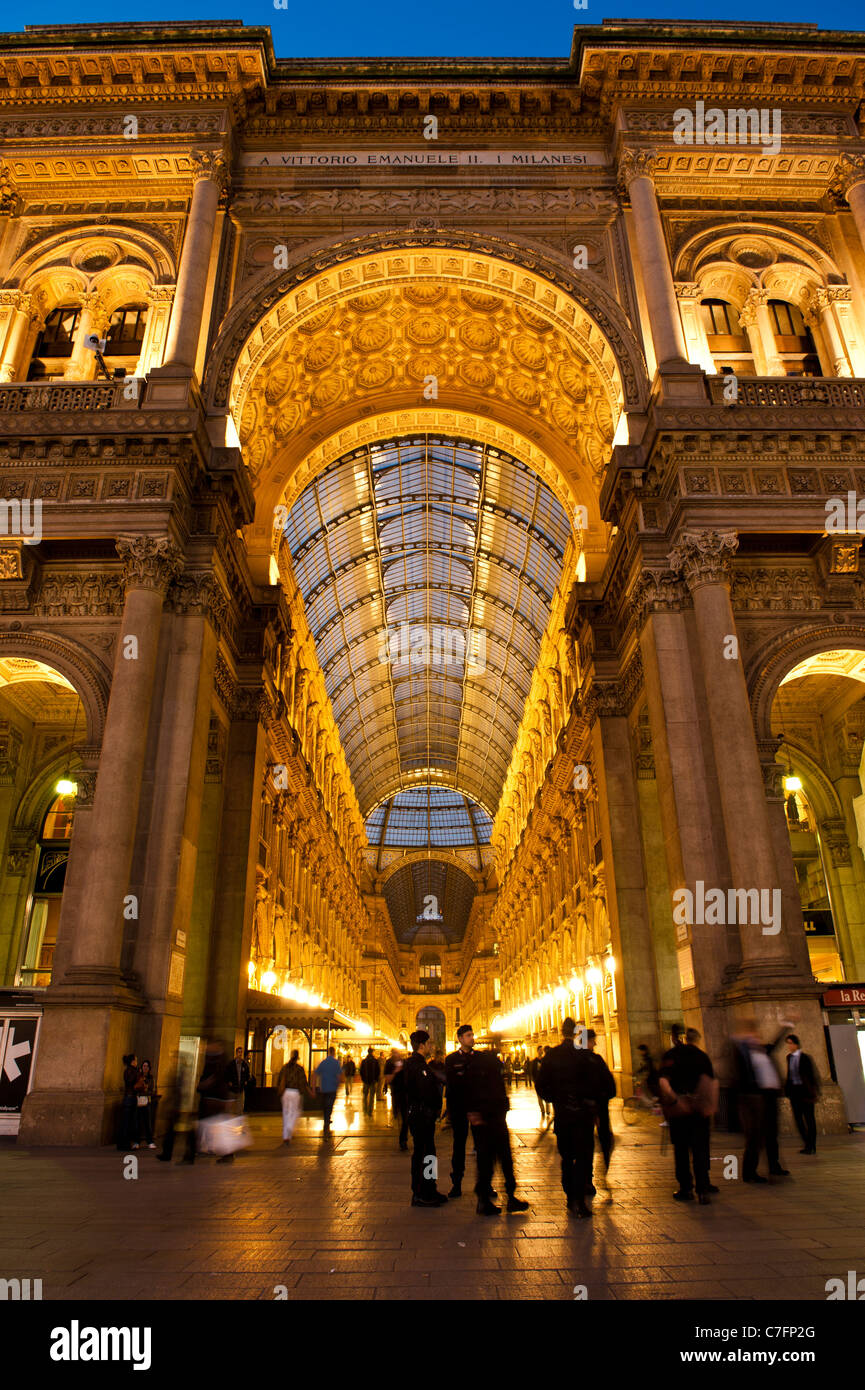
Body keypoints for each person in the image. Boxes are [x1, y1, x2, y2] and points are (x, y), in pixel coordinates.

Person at [538, 1019, 604, 1218]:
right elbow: (600, 1085)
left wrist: (556, 1100)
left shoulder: (551, 1056)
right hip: (583, 1116)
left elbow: (541, 1086)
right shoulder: (584, 1055)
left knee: (567, 1158)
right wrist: (592, 1105)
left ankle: (570, 1198)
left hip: (564, 1116)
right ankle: (580, 1200)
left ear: (560, 1032)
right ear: (575, 1032)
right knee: (583, 1157)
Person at [466, 1045, 530, 1216]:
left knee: (487, 1162)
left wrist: (473, 1112)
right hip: (494, 1121)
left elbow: (469, 1093)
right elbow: (496, 1095)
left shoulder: (478, 1072)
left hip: (487, 1121)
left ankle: (488, 1199)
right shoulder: (491, 1072)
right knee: (501, 1161)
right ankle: (502, 1198)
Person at [657, 1025, 717, 1204]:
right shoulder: (702, 1056)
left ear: (676, 1038)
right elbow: (711, 1083)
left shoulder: (671, 1056)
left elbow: (663, 1082)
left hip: (680, 1110)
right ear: (696, 1039)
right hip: (699, 1108)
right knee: (700, 1148)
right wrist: (711, 1106)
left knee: (681, 1149)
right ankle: (703, 1189)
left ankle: (686, 1188)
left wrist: (675, 1100)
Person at [731, 1017, 793, 1183]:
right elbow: (738, 1076)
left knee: (771, 1133)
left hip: (770, 1097)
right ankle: (749, 1172)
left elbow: (775, 1043)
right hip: (755, 1098)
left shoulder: (762, 1050)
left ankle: (774, 1165)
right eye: (753, 1034)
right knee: (755, 1136)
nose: (756, 1036)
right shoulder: (742, 1051)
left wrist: (787, 1025)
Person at [404, 1029, 448, 1207]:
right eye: (429, 1043)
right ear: (422, 1045)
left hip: (419, 1115)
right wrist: (436, 1108)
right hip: (422, 1116)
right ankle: (422, 1193)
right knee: (425, 1154)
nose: (431, 1046)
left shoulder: (414, 1063)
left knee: (427, 1154)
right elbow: (425, 1092)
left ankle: (429, 1189)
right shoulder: (418, 1065)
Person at [444, 1024, 475, 1198]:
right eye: (469, 1035)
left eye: (472, 1035)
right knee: (459, 1147)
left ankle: (484, 1185)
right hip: (460, 1110)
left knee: (482, 1148)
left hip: (478, 1109)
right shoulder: (451, 1059)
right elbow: (451, 1086)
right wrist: (449, 1111)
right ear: (460, 1038)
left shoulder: (480, 1058)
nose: (472, 1038)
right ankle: (456, 1183)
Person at [585, 1030, 617, 1191]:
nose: (595, 1043)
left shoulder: (577, 1061)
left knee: (586, 1143)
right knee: (603, 1139)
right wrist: (603, 1097)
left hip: (585, 1108)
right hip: (598, 1107)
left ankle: (588, 1179)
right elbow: (610, 1085)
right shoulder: (596, 1061)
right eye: (593, 1040)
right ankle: (602, 1167)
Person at [784, 1033, 820, 1155]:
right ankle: (807, 1144)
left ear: (796, 1044)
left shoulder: (805, 1058)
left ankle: (812, 1145)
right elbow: (789, 1074)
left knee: (809, 1119)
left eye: (791, 1043)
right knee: (798, 1120)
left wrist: (815, 1091)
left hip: (806, 1092)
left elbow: (812, 1075)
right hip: (795, 1093)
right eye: (788, 1043)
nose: (789, 1046)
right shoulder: (788, 1057)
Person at [277, 1049, 310, 1144]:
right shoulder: (299, 1069)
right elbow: (304, 1082)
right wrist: (309, 1091)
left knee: (285, 1113)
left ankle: (286, 1136)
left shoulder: (284, 1068)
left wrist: (279, 1091)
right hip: (295, 1093)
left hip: (285, 1092)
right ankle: (290, 1127)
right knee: (294, 1112)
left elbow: (279, 1080)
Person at [314, 1047, 343, 1137]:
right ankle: (327, 1119)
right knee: (330, 1105)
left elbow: (315, 1074)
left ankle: (326, 1119)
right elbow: (339, 1076)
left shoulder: (323, 1062)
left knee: (325, 1105)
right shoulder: (336, 1063)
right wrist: (338, 1085)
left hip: (324, 1088)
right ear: (334, 1053)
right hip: (332, 1088)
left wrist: (313, 1088)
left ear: (328, 1052)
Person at [385, 1050, 409, 1150]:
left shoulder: (405, 1063)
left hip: (407, 1093)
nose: (397, 1055)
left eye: (398, 1053)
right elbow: (388, 1079)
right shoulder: (389, 1063)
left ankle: (403, 1140)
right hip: (396, 1093)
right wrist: (396, 1071)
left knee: (405, 1118)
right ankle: (402, 1139)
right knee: (401, 1117)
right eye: (395, 1054)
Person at [117, 1053, 139, 1151]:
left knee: (125, 1122)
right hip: (131, 1098)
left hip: (128, 1098)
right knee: (129, 1122)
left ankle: (122, 1143)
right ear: (132, 1061)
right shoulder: (132, 1071)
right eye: (136, 1060)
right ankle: (125, 1144)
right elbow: (132, 1082)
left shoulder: (127, 1071)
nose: (137, 1062)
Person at [135, 1059, 157, 1149]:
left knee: (148, 1123)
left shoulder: (151, 1078)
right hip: (138, 1101)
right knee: (138, 1123)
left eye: (147, 1066)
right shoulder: (138, 1077)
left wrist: (146, 1091)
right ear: (141, 1067)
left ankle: (150, 1141)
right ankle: (137, 1142)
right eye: (144, 1066)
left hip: (147, 1102)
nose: (145, 1068)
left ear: (149, 1068)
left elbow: (152, 1090)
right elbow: (136, 1088)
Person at [225, 1047, 250, 1115]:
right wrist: (229, 1082)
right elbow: (227, 1074)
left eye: (241, 1052)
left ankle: (238, 1117)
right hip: (232, 1088)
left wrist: (246, 1081)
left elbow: (247, 1074)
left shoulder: (244, 1064)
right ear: (236, 1053)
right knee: (231, 1106)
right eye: (239, 1052)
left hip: (240, 1088)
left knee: (240, 1106)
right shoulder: (231, 1064)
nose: (240, 1054)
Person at [531, 1045, 550, 1122]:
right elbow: (533, 1071)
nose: (541, 1051)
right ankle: (542, 1110)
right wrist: (534, 1080)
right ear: (537, 1051)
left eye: (542, 1050)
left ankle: (548, 1110)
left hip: (545, 1081)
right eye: (540, 1050)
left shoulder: (545, 1060)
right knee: (539, 1097)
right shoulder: (534, 1061)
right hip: (538, 1081)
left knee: (547, 1096)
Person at [360, 1047, 380, 1116]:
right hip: (373, 1081)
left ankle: (365, 1110)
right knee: (371, 1097)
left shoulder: (364, 1061)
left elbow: (361, 1071)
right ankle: (370, 1112)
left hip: (366, 1081)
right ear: (372, 1052)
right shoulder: (375, 1061)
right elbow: (378, 1071)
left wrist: (363, 1079)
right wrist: (376, 1079)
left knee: (365, 1096)